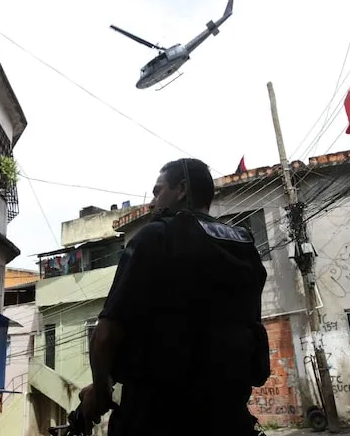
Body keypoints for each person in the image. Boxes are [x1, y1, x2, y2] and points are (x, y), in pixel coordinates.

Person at [79, 158, 269, 436]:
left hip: (155, 419)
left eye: (158, 191)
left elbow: (105, 336)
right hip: (228, 418)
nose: (153, 201)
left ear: (181, 189)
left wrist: (100, 389)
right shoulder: (243, 244)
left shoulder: (156, 237)